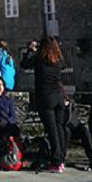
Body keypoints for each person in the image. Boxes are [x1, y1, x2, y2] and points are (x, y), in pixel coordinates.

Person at [30, 36, 68, 174]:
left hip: (46, 97)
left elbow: (24, 64)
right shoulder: (58, 61)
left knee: (52, 130)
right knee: (60, 128)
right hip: (59, 96)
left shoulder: (39, 60)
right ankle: (62, 158)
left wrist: (31, 50)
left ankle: (56, 161)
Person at [64, 94, 92, 170]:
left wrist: (80, 124)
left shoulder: (70, 106)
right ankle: (61, 158)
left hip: (72, 128)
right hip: (63, 130)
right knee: (67, 131)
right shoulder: (56, 107)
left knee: (84, 129)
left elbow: (74, 121)